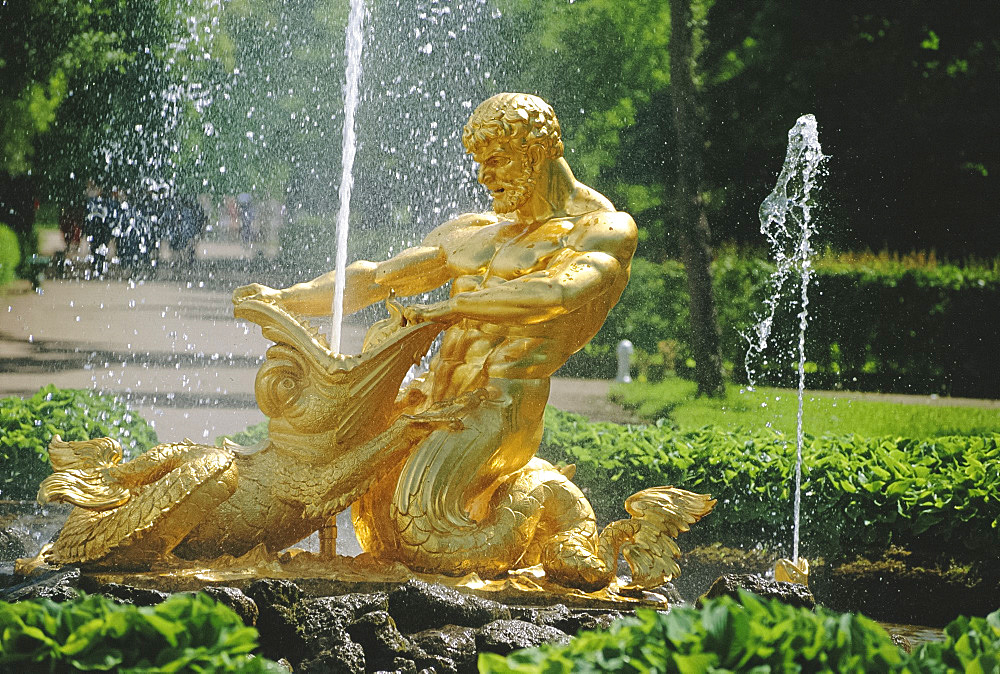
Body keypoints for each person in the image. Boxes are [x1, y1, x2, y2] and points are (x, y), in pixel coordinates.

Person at [234, 93, 638, 581]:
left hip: (498, 406)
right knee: (374, 525)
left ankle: (549, 499)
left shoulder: (599, 228)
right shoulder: (476, 230)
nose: (485, 176)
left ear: (537, 152)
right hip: (432, 401)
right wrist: (287, 298)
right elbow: (377, 277)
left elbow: (554, 292)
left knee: (426, 538)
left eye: (498, 161)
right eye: (480, 163)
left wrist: (450, 307)